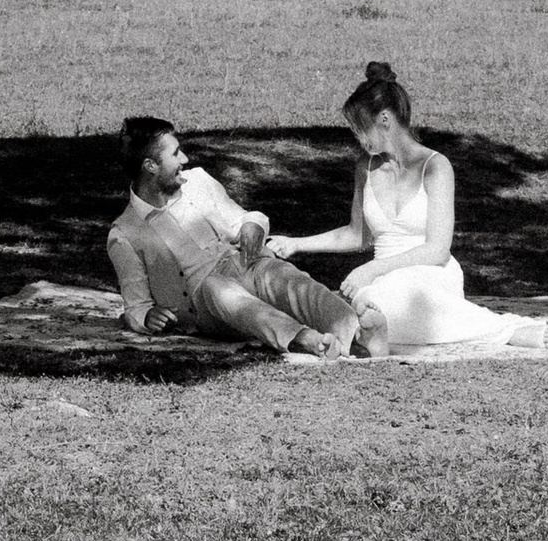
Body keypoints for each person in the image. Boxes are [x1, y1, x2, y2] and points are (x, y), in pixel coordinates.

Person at [268, 61, 547, 353]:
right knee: (366, 302)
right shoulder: (366, 167)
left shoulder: (436, 167)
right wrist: (295, 244)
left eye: (360, 128)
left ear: (385, 119)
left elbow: (438, 249)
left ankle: (506, 329)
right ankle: (375, 334)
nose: (357, 138)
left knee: (392, 298)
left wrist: (372, 269)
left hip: (430, 273)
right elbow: (356, 234)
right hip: (380, 282)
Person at [107, 116, 385, 360]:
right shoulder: (125, 233)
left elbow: (244, 218)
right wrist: (146, 317)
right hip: (206, 300)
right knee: (218, 288)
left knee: (286, 277)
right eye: (176, 154)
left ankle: (356, 331)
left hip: (244, 262)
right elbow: (136, 304)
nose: (185, 160)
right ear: (150, 166)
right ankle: (304, 339)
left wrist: (252, 225)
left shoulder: (199, 181)